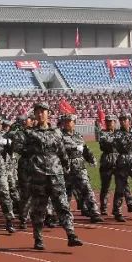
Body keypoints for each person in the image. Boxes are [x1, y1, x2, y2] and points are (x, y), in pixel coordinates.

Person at [15, 102, 82, 250]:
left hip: (56, 174)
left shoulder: (57, 132)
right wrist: (30, 153)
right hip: (38, 175)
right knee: (39, 208)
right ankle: (38, 238)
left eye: (43, 111)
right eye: (38, 111)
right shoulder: (29, 133)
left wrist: (66, 166)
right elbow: (18, 147)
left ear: (48, 114)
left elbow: (62, 151)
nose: (40, 114)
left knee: (63, 205)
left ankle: (71, 234)